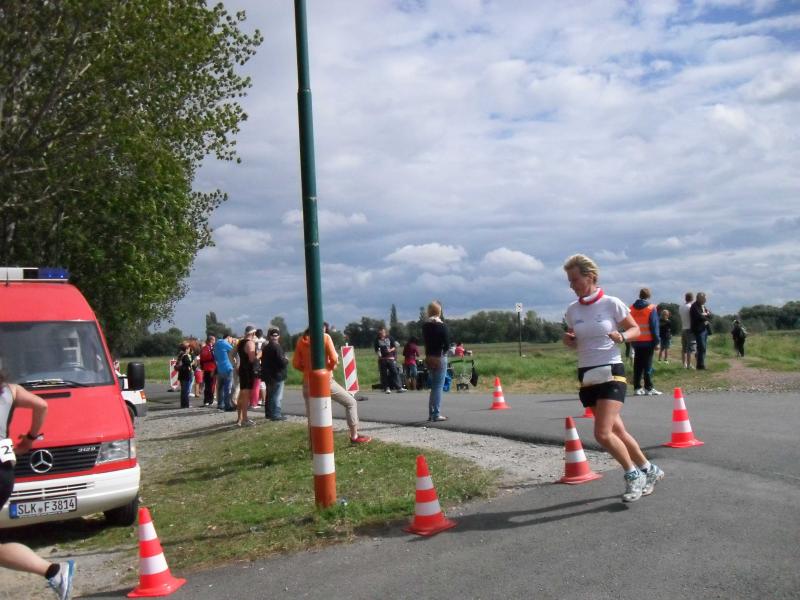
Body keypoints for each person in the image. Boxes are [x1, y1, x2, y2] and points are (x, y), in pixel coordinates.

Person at [562, 254, 664, 502]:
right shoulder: (572, 310)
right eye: (569, 281)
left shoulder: (612, 303)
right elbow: (576, 340)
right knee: (618, 430)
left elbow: (635, 329)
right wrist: (569, 341)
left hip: (611, 371)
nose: (572, 285)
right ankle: (649, 470)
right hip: (587, 375)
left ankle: (633, 475)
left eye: (575, 279)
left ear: (590, 277)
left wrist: (622, 337)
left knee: (602, 433)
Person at [0, 371, 76, 599]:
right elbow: (41, 405)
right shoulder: (10, 390)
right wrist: (30, 438)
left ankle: (54, 571)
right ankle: (53, 572)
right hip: (5, 471)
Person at [292, 324, 371, 443]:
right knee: (351, 402)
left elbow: (296, 363)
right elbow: (334, 358)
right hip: (325, 381)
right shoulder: (325, 337)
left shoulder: (301, 340)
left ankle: (314, 444)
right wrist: (329, 368)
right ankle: (354, 436)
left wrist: (307, 370)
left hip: (308, 381)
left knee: (312, 415)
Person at [629, 288, 662, 396]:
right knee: (647, 365)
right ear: (649, 296)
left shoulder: (631, 308)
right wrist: (657, 341)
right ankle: (649, 387)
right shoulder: (651, 308)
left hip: (636, 340)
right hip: (648, 341)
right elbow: (654, 326)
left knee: (637, 365)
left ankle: (637, 388)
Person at [422, 301, 450, 422]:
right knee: (438, 386)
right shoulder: (442, 326)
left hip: (429, 357)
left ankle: (431, 413)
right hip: (440, 357)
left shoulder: (425, 326)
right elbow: (447, 344)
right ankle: (436, 414)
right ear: (439, 311)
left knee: (433, 386)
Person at [260, 327, 288, 421]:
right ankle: (276, 414)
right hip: (277, 375)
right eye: (274, 335)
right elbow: (281, 362)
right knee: (277, 395)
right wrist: (286, 360)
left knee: (270, 395)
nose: (275, 337)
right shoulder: (277, 347)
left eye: (275, 335)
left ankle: (269, 413)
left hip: (268, 375)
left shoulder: (266, 347)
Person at [235, 326, 258, 427]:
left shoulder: (240, 343)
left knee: (242, 394)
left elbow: (231, 354)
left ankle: (239, 418)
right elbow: (252, 359)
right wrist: (260, 354)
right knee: (246, 395)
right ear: (253, 334)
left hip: (242, 369)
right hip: (248, 370)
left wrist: (235, 364)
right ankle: (245, 419)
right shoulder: (250, 343)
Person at [374, 328, 405, 393]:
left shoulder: (390, 338)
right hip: (382, 359)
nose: (381, 334)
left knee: (394, 372)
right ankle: (386, 388)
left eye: (382, 332)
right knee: (384, 374)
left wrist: (390, 350)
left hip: (390, 358)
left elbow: (394, 346)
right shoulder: (377, 340)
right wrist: (379, 353)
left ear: (385, 332)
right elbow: (376, 349)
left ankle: (399, 387)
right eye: (380, 333)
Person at [212, 334, 235, 411]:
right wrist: (233, 344)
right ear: (228, 337)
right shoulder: (225, 343)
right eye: (231, 338)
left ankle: (220, 404)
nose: (232, 340)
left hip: (220, 368)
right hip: (228, 368)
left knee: (220, 388)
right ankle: (227, 405)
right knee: (228, 388)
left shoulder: (216, 344)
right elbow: (234, 351)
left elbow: (215, 357)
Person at [690, 292, 712, 370]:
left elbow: (710, 315)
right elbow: (699, 317)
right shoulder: (694, 306)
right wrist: (706, 315)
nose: (705, 300)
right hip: (699, 329)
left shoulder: (703, 306)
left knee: (703, 347)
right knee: (701, 347)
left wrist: (705, 314)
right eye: (704, 298)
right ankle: (700, 365)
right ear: (699, 298)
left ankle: (701, 364)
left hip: (704, 329)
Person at [679, 292, 696, 369]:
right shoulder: (691, 307)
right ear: (692, 298)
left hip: (683, 328)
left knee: (684, 348)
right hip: (689, 329)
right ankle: (689, 365)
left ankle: (684, 364)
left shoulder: (681, 307)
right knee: (689, 348)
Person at [198, 335, 216, 406]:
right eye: (214, 340)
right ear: (211, 340)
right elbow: (213, 358)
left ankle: (206, 400)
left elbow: (201, 360)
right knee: (212, 385)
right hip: (212, 368)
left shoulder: (203, 349)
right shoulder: (211, 349)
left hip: (206, 369)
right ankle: (210, 400)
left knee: (207, 385)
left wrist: (203, 367)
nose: (215, 341)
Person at [250, 329, 266, 409]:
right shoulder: (264, 341)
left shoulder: (253, 341)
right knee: (261, 384)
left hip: (253, 363)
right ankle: (263, 400)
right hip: (260, 363)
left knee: (256, 384)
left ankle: (258, 400)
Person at [175, 343, 194, 408]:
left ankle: (183, 404)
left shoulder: (180, 355)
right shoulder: (185, 356)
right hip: (186, 374)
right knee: (186, 390)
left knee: (183, 390)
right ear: (186, 349)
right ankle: (186, 404)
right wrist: (192, 362)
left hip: (181, 374)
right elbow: (188, 363)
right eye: (188, 349)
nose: (189, 350)